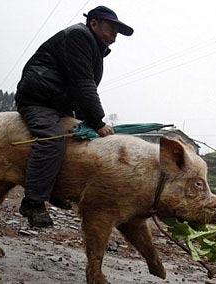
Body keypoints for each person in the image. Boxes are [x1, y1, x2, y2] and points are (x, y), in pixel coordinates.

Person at [14, 6, 133, 227]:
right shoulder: (79, 36)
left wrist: (85, 121)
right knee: (51, 139)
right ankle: (33, 202)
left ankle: (54, 190)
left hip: (57, 102)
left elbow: (78, 86)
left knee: (77, 139)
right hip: (38, 99)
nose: (114, 36)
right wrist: (97, 122)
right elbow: (83, 84)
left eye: (117, 32)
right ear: (94, 23)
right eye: (111, 28)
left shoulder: (92, 46)